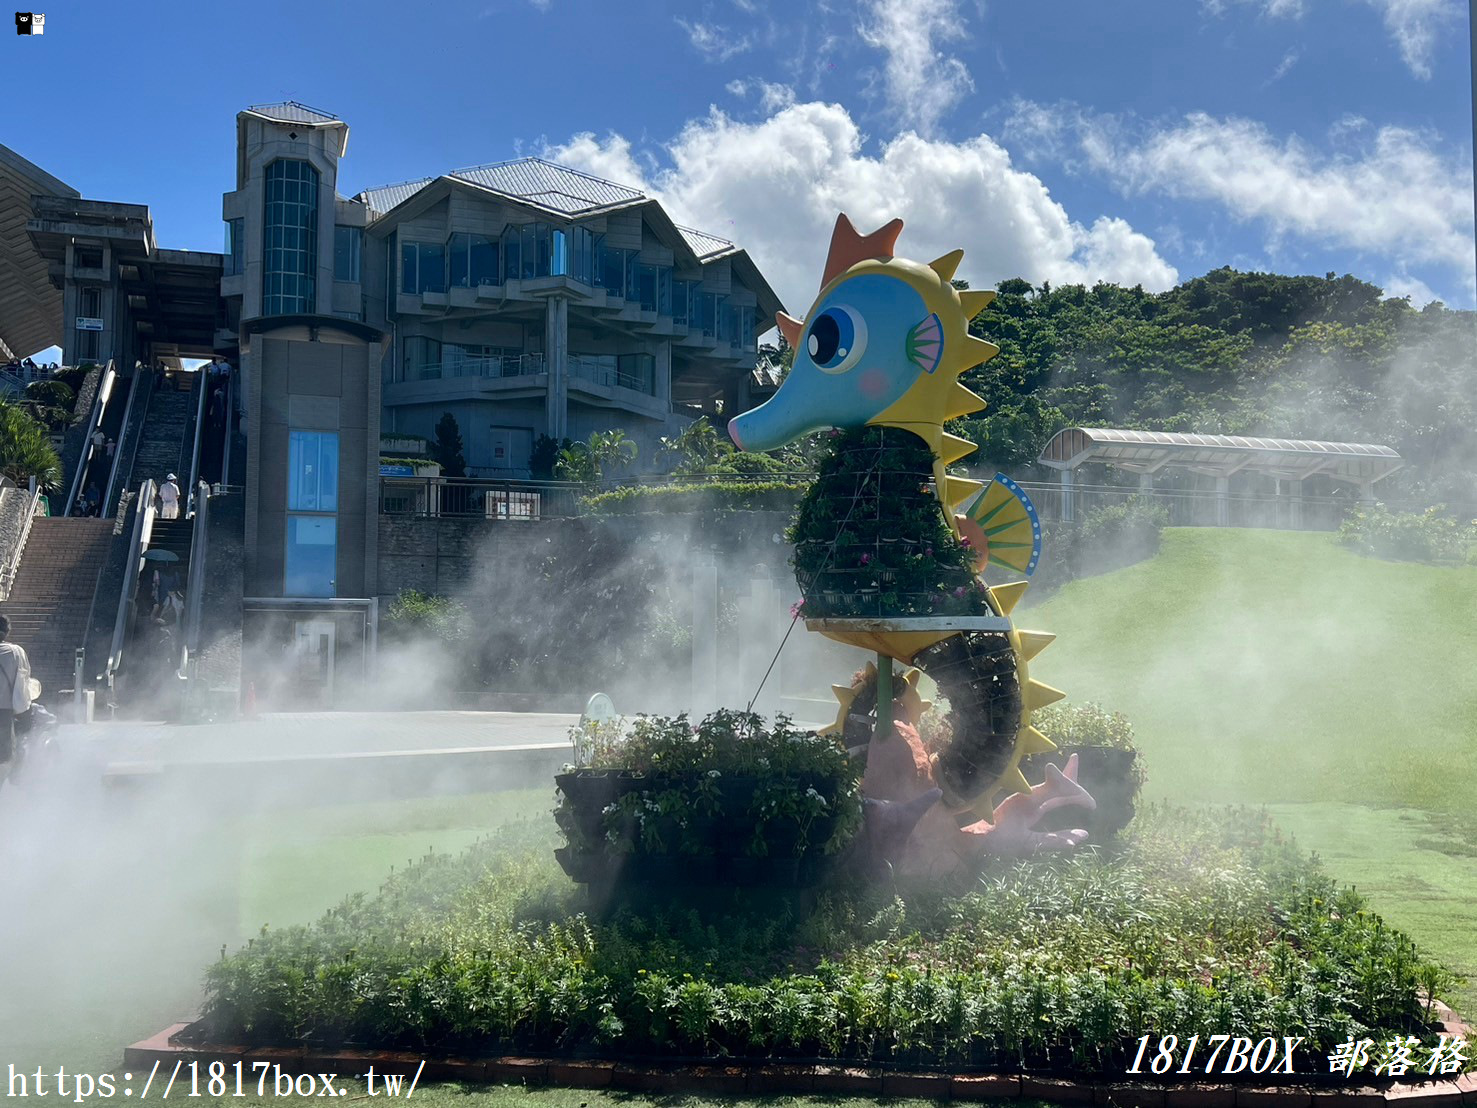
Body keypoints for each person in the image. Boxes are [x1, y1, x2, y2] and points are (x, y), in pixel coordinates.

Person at [0, 614, 34, 773]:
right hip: (4, 712)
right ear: (7, 631)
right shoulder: (15, 652)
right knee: (5, 757)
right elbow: (23, 684)